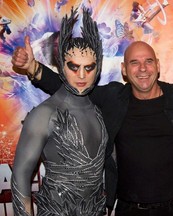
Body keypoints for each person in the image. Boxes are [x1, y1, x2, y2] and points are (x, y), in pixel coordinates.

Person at [11, 30, 173, 215]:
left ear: (158, 66)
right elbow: (71, 84)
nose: (142, 68)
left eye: (148, 61)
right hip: (128, 209)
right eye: (134, 63)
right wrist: (35, 69)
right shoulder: (113, 97)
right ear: (125, 69)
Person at [11, 8, 108, 216]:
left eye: (89, 68)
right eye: (74, 67)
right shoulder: (44, 114)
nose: (82, 75)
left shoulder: (99, 111)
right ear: (62, 67)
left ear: (98, 68)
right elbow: (20, 176)